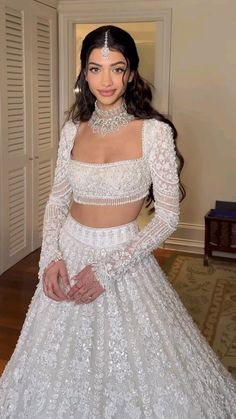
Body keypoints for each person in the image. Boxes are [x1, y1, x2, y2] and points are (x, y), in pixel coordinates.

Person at [0, 25, 235, 419]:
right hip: (69, 251)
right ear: (84, 73)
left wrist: (108, 270)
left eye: (116, 68)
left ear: (130, 72)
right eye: (95, 69)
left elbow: (168, 216)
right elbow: (58, 198)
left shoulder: (154, 132)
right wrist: (50, 258)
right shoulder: (73, 129)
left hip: (123, 257)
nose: (105, 80)